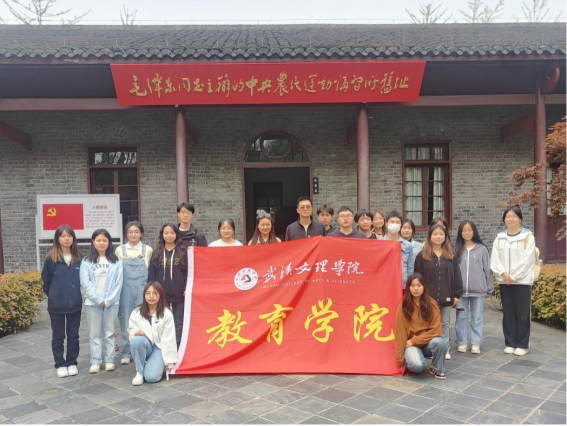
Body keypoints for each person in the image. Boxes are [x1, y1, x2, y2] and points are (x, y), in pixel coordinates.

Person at [491, 206, 536, 357]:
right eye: (508, 216)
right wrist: (504, 274)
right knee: (508, 313)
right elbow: (495, 259)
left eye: (514, 216)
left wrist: (514, 276)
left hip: (522, 281)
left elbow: (527, 259)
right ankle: (510, 343)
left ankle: (522, 344)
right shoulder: (499, 238)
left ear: (520, 219)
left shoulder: (528, 237)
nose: (511, 219)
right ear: (504, 219)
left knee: (522, 313)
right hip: (505, 281)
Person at [414, 224, 463, 360]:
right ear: (430, 236)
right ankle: (429, 349)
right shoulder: (422, 256)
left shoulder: (451, 256)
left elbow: (457, 275)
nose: (438, 237)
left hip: (447, 296)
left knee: (444, 323)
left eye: (441, 234)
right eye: (435, 234)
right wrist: (419, 295)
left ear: (445, 236)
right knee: (427, 323)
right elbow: (417, 277)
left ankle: (444, 349)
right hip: (428, 297)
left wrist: (457, 294)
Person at [42, 225, 83, 379]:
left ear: (73, 238)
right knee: (58, 336)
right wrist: (54, 294)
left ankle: (72, 362)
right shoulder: (51, 259)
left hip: (75, 304)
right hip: (56, 305)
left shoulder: (79, 258)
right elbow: (46, 282)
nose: (67, 239)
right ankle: (60, 364)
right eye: (63, 236)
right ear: (57, 239)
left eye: (69, 236)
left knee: (73, 335)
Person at [80, 229, 123, 374]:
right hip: (92, 303)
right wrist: (98, 299)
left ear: (109, 242)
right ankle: (96, 361)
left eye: (104, 240)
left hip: (112, 303)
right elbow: (85, 282)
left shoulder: (116, 261)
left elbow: (119, 282)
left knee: (110, 332)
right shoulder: (87, 261)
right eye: (98, 240)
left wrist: (109, 299)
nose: (101, 243)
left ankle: (109, 359)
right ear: (93, 242)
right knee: (94, 333)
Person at [396, 273, 447, 380]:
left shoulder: (432, 304)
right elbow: (400, 334)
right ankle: (413, 359)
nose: (416, 289)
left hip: (427, 344)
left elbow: (436, 331)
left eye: (419, 285)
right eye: (413, 285)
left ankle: (438, 370)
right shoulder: (403, 307)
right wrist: (400, 360)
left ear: (424, 287)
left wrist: (414, 341)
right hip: (411, 346)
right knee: (418, 366)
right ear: (408, 288)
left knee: (440, 342)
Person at [116, 221, 153, 366]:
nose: (133, 234)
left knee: (143, 319)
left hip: (143, 290)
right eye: (130, 232)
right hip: (124, 290)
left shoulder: (147, 250)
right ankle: (126, 352)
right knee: (125, 320)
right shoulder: (120, 250)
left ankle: (143, 349)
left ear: (141, 233)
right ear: (126, 234)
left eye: (136, 232)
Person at [454, 220, 493, 355]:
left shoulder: (482, 249)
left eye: (469, 230)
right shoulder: (456, 249)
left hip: (478, 290)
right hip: (460, 291)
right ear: (460, 232)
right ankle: (462, 342)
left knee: (477, 317)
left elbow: (488, 269)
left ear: (474, 231)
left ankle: (476, 342)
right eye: (464, 230)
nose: (467, 233)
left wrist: (489, 288)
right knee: (461, 316)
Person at [128, 282, 178, 386]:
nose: (151, 296)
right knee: (137, 340)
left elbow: (169, 339)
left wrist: (169, 362)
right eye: (148, 293)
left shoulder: (166, 314)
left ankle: (153, 364)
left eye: (155, 293)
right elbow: (131, 329)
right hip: (145, 345)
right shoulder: (136, 312)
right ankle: (139, 372)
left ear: (160, 295)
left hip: (160, 348)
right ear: (144, 295)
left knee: (151, 377)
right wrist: (137, 333)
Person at [148, 224, 188, 348]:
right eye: (166, 233)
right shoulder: (157, 252)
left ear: (176, 234)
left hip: (179, 292)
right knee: (160, 320)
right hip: (160, 293)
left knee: (178, 322)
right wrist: (152, 290)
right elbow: (151, 273)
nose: (169, 236)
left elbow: (187, 272)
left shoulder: (183, 251)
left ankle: (177, 348)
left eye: (172, 233)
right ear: (162, 235)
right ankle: (161, 346)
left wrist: (187, 287)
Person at [383, 211, 414, 288]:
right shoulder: (379, 243)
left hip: (402, 285)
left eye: (397, 222)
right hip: (384, 284)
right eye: (392, 222)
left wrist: (408, 284)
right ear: (386, 224)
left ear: (400, 225)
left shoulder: (407, 245)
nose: (395, 224)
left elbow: (410, 268)